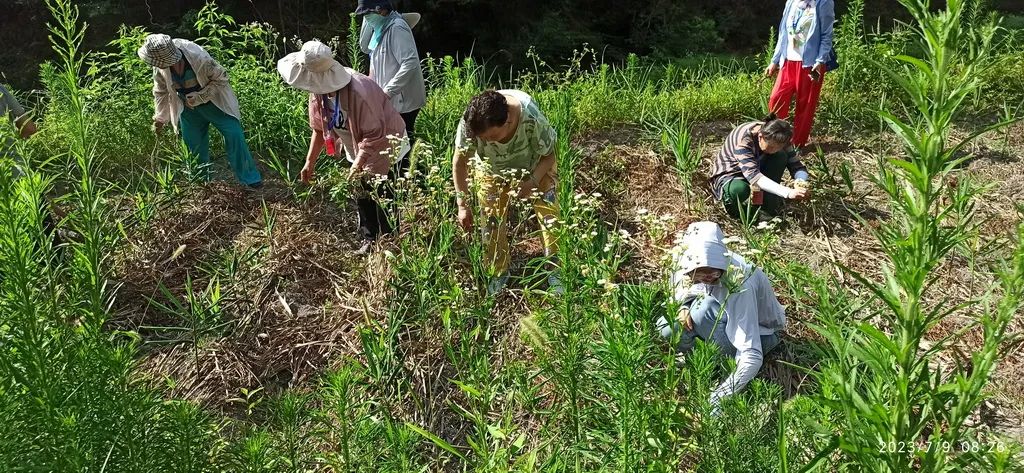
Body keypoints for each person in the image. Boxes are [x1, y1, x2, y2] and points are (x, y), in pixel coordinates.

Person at [278, 40, 410, 255]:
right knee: (361, 193)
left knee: (384, 194)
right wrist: (309, 162)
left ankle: (389, 243)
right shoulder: (318, 92)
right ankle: (369, 240)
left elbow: (374, 135)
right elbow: (320, 128)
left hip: (387, 143)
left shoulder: (360, 92)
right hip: (356, 145)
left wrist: (357, 166)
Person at [656, 221, 786, 407]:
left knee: (704, 311)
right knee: (668, 326)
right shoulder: (682, 261)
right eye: (699, 273)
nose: (707, 278)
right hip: (719, 324)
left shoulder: (741, 281)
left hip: (762, 334)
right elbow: (681, 288)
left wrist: (720, 397)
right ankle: (703, 361)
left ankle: (723, 367)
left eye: (713, 273)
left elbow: (751, 352)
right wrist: (683, 305)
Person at [453, 90, 561, 295]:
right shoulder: (472, 122)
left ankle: (555, 269)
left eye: (492, 137)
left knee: (550, 217)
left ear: (508, 121)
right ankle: (498, 272)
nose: (488, 142)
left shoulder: (531, 118)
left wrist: (531, 182)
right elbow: (460, 163)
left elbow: (549, 156)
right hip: (491, 170)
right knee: (491, 222)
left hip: (535, 167)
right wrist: (462, 205)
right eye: (482, 139)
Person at [138, 34, 263, 188]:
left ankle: (250, 179)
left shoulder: (198, 57)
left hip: (215, 103)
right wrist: (160, 118)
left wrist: (201, 96)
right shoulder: (160, 65)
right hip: (188, 108)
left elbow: (221, 79)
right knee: (192, 145)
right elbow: (160, 92)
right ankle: (202, 183)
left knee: (234, 135)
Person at [709, 116, 811, 219]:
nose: (774, 150)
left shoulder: (781, 137)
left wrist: (800, 181)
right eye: (770, 146)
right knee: (738, 189)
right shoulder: (744, 140)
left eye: (778, 147)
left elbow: (797, 166)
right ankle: (746, 216)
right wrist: (788, 192)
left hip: (758, 166)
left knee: (780, 156)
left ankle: (767, 206)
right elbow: (755, 178)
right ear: (761, 136)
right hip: (733, 172)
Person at [766, 0, 836, 149]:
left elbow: (826, 35)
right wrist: (775, 60)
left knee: (805, 106)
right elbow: (783, 33)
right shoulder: (791, 1)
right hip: (788, 61)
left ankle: (796, 144)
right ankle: (775, 138)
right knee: (776, 99)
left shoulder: (823, 2)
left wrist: (820, 60)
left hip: (811, 64)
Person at [356, 0, 426, 145]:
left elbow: (410, 63)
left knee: (402, 146)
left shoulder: (397, 28)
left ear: (382, 11)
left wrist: (387, 92)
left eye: (368, 14)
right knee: (396, 145)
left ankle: (411, 167)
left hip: (403, 101)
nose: (366, 17)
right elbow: (364, 47)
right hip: (388, 99)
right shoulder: (379, 28)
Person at [1, 81, 60, 247]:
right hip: (16, 173)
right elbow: (28, 129)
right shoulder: (1, 90)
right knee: (45, 239)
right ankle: (58, 269)